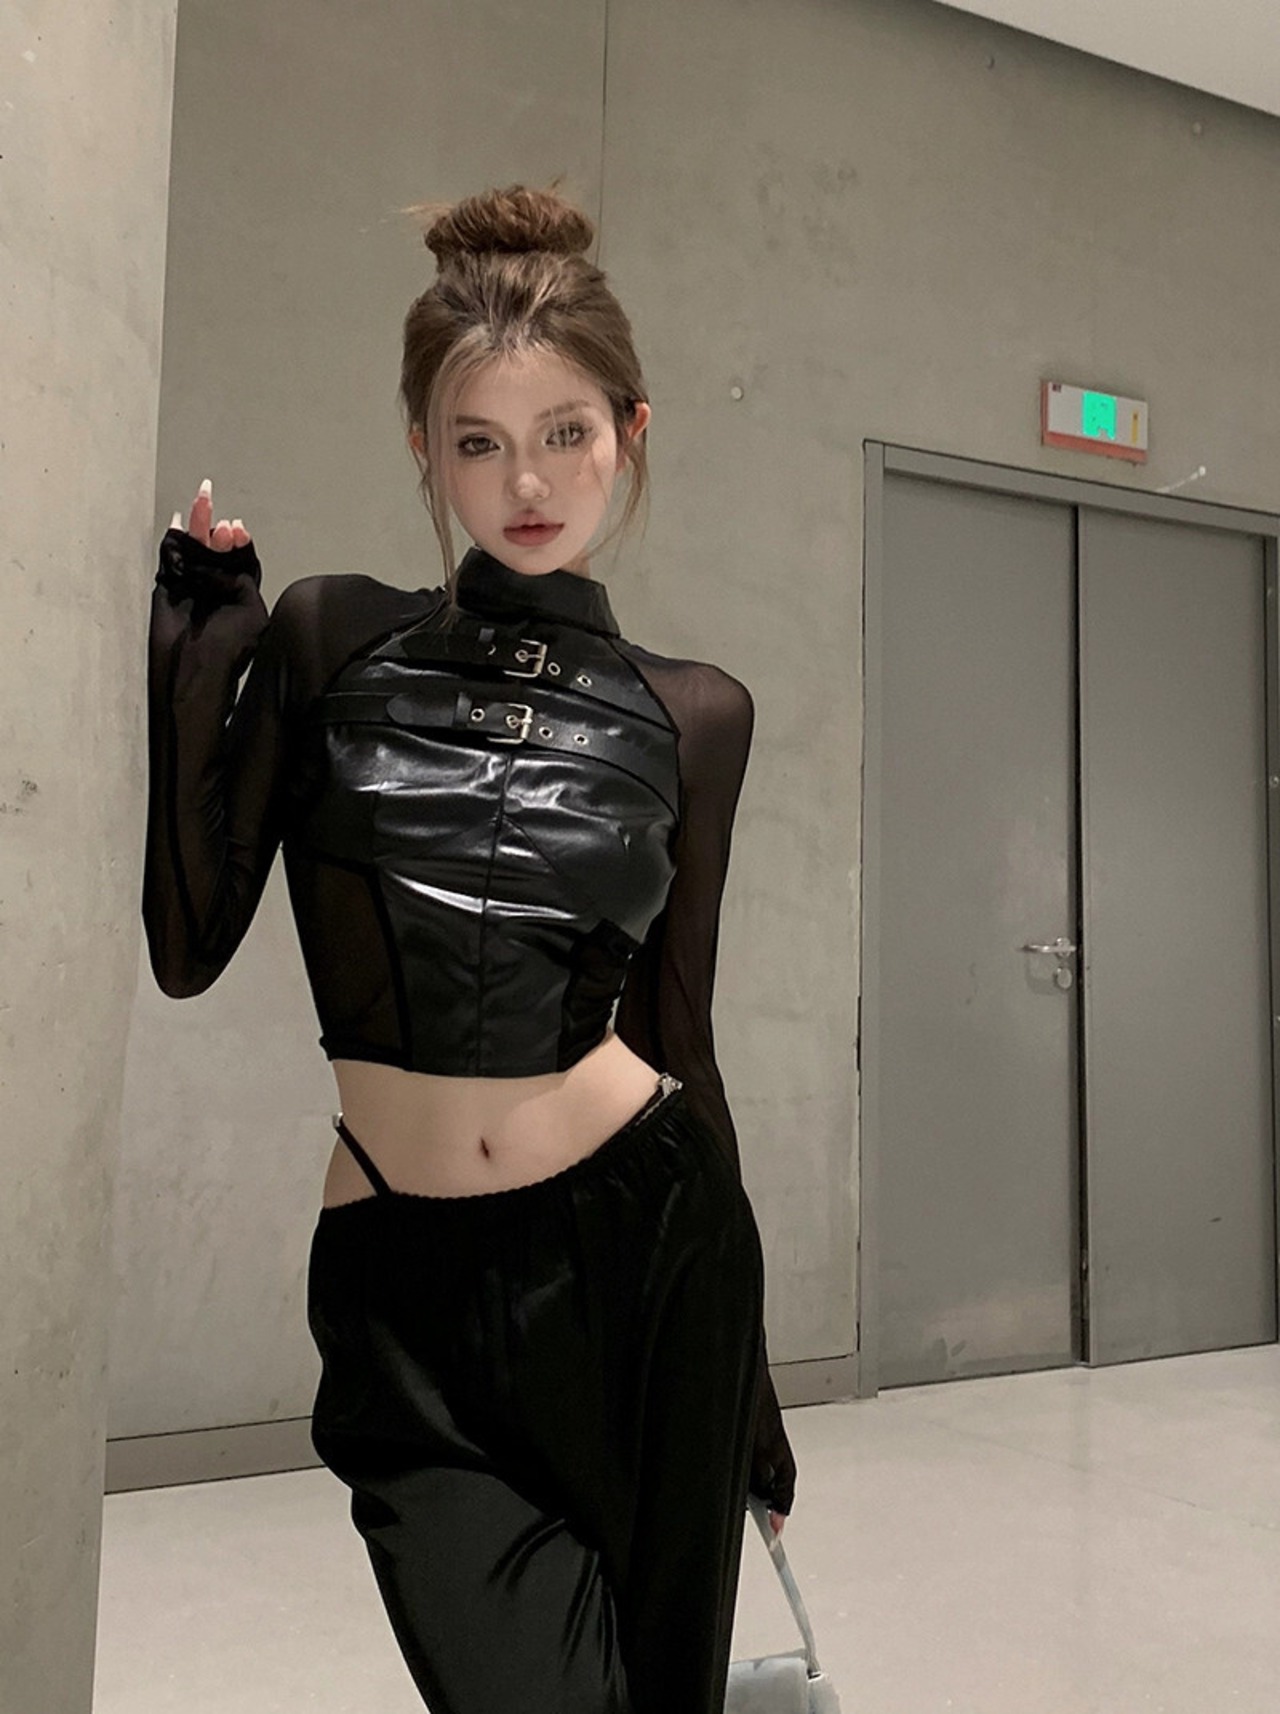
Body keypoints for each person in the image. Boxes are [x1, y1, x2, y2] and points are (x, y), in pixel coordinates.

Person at [143, 180, 797, 1714]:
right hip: (410, 1288)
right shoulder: (328, 638)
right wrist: (205, 645)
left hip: (658, 1255)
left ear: (632, 430)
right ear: (424, 448)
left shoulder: (695, 712)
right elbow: (188, 937)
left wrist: (753, 1391)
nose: (530, 480)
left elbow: (681, 1038)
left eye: (566, 431)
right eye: (481, 440)